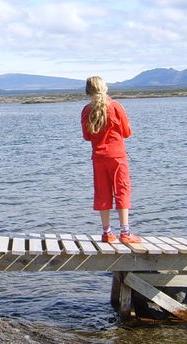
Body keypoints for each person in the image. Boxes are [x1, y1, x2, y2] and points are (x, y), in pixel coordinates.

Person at [81, 76, 140, 243]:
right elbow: (127, 132)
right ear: (105, 88)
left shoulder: (86, 110)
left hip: (99, 157)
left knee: (102, 193)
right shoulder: (115, 107)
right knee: (122, 190)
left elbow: (87, 136)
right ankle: (125, 232)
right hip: (117, 157)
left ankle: (107, 232)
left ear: (88, 92)